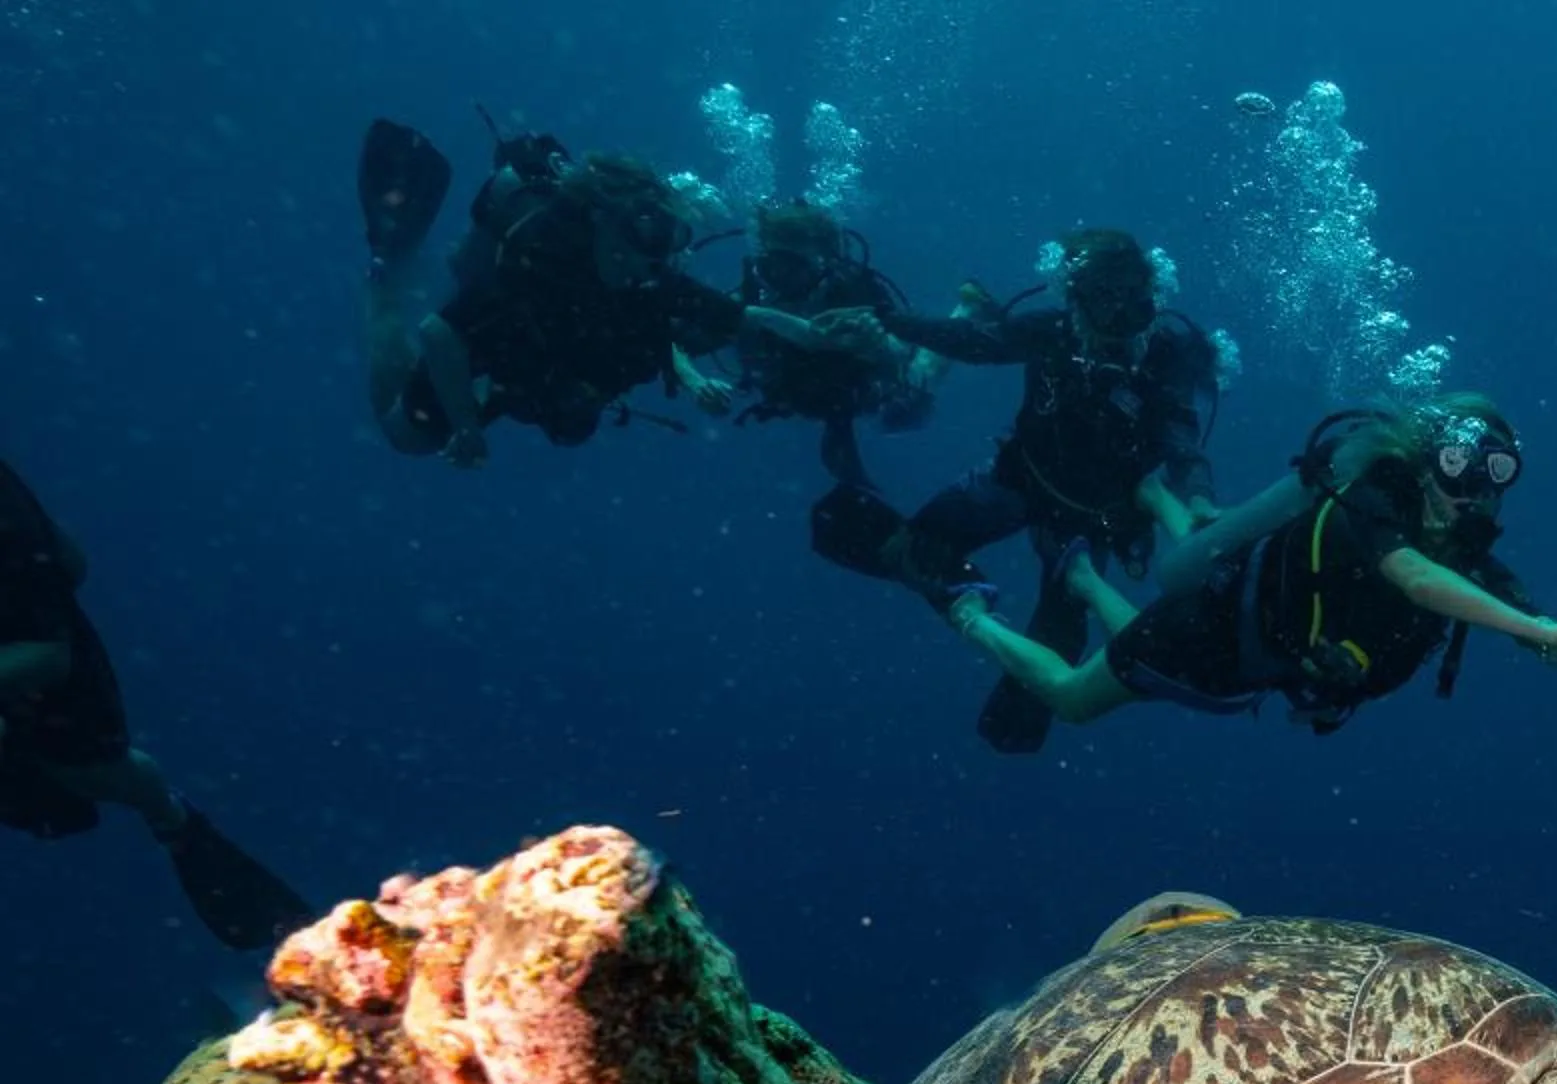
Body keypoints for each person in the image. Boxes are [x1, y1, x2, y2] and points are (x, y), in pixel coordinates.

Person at [945, 398, 1557, 741]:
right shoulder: (1372, 500)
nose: (1468, 491)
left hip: (1250, 674)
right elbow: (1414, 578)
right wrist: (1541, 630)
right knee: (1074, 698)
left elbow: (1539, 636)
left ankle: (1086, 576)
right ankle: (972, 613)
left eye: (1493, 476)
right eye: (1455, 466)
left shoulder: (1468, 558)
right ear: (1423, 459)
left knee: (1149, 671)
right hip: (1201, 634)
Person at [804, 228, 1224, 751]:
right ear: (1075, 299)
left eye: (1133, 300)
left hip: (1094, 517)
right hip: (1019, 477)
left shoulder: (1166, 356)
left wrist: (1200, 497)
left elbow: (1181, 436)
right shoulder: (1053, 331)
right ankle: (967, 597)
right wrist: (887, 319)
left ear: (1152, 296)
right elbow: (975, 342)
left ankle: (1001, 687)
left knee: (1045, 667)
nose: (1119, 318)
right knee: (904, 543)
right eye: (1103, 299)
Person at [0, 458, 311, 950]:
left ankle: (177, 824)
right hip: (46, 682)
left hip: (54, 690)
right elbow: (70, 563)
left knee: (85, 771)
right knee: (72, 778)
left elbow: (51, 644)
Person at [356, 116, 748, 463]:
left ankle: (399, 267)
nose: (652, 257)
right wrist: (465, 428)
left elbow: (663, 329)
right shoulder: (543, 263)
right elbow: (438, 333)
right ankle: (384, 274)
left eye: (669, 239)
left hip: (536, 356)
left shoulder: (642, 273)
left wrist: (696, 381)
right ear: (602, 219)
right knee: (407, 435)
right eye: (643, 235)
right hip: (508, 334)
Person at [725, 201, 945, 490]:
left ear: (826, 261)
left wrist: (878, 343)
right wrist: (695, 380)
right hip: (794, 394)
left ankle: (966, 311)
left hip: (858, 392)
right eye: (771, 266)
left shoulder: (853, 290)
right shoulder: (749, 297)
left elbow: (901, 351)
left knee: (910, 399)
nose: (781, 278)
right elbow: (684, 333)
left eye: (795, 267)